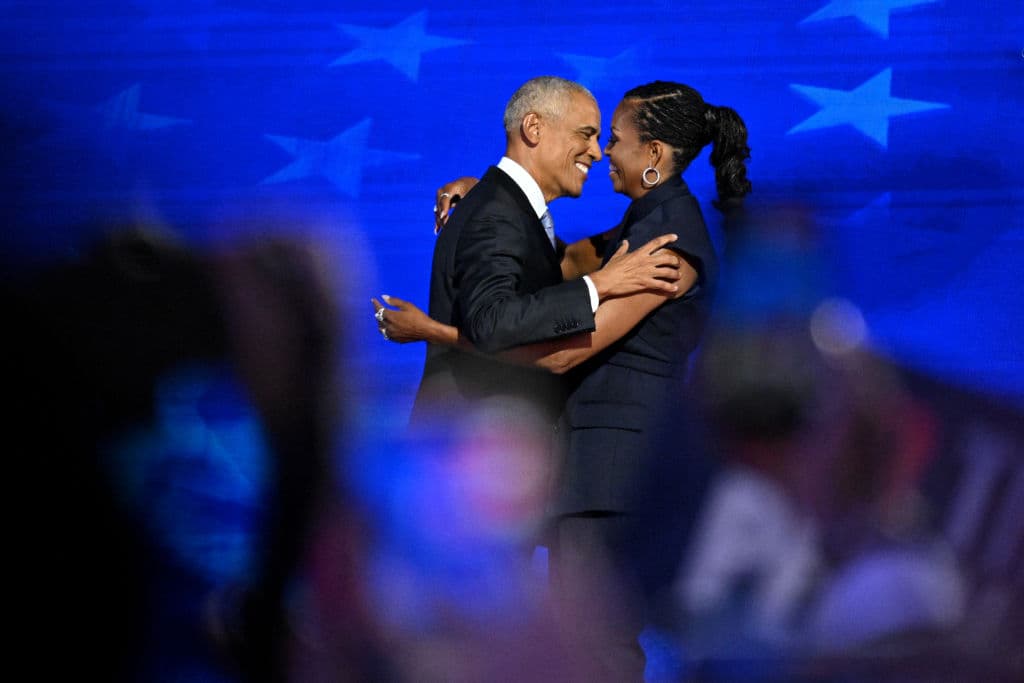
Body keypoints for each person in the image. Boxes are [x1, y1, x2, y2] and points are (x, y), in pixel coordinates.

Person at [376, 80, 751, 680]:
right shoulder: (646, 222)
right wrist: (488, 194)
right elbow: (563, 263)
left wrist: (435, 331)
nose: (602, 151)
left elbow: (559, 355)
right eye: (590, 135)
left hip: (613, 474)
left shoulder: (667, 247)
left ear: (654, 155)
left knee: (596, 650)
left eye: (615, 140)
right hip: (587, 473)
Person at [399, 76, 684, 434]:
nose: (597, 152)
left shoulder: (507, 209)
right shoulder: (497, 212)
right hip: (473, 453)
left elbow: (558, 264)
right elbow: (491, 322)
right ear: (534, 128)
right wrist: (599, 286)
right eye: (586, 134)